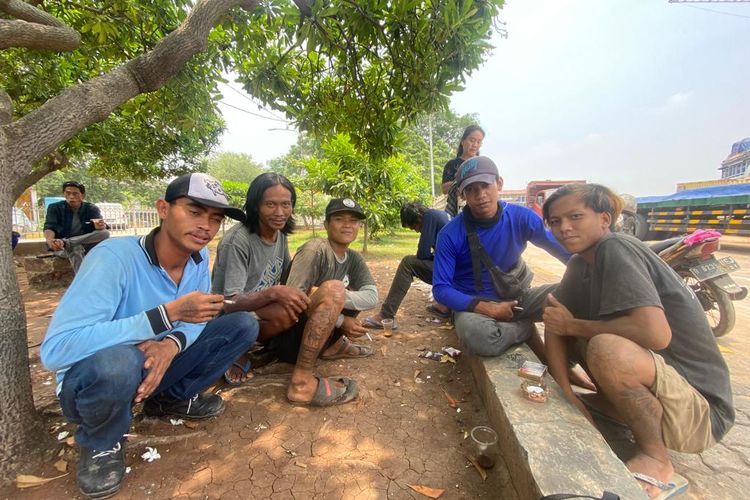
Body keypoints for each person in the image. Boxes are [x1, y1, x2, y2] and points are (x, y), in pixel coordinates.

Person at [41, 173, 259, 499]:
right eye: (195, 212)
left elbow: (196, 319)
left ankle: (168, 399)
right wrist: (166, 315)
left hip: (151, 367)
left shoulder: (197, 259)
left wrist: (170, 345)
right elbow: (56, 351)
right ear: (163, 209)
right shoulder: (113, 258)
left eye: (215, 219)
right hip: (97, 382)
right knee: (120, 360)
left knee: (242, 325)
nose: (206, 227)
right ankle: (101, 441)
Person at [541, 184, 734, 498]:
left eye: (575, 216)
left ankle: (655, 457)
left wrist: (573, 324)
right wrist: (567, 393)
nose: (564, 228)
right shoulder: (580, 263)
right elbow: (554, 320)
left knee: (606, 347)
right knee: (576, 326)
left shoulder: (616, 247)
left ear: (605, 219)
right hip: (666, 393)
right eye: (555, 221)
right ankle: (610, 406)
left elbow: (655, 334)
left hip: (702, 414)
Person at [432, 156, 570, 357]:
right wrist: (486, 308)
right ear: (463, 195)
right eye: (471, 189)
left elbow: (562, 252)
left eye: (485, 185)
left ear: (499, 184)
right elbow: (441, 289)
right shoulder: (450, 234)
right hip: (475, 307)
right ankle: (524, 328)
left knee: (578, 294)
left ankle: (567, 362)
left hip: (519, 296)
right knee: (478, 337)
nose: (480, 195)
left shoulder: (521, 217)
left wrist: (585, 271)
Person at [250, 197, 377, 406]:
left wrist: (335, 304)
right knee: (336, 288)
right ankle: (301, 382)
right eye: (339, 219)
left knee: (340, 291)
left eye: (353, 220)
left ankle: (332, 347)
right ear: (326, 225)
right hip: (289, 339)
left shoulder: (353, 258)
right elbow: (290, 302)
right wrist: (339, 316)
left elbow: (371, 296)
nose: (347, 225)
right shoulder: (314, 250)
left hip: (321, 335)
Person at [212, 173, 311, 385]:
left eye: (286, 204)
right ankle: (236, 349)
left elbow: (286, 274)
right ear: (255, 205)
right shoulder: (238, 241)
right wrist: (274, 293)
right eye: (270, 204)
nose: (280, 212)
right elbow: (228, 303)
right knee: (285, 313)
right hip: (227, 315)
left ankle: (262, 345)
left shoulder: (279, 234)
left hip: (257, 306)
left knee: (299, 304)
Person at [363, 202, 450, 329]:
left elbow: (422, 253)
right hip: (458, 271)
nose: (416, 231)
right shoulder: (440, 214)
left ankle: (386, 315)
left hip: (455, 274)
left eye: (414, 227)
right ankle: (444, 306)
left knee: (407, 263)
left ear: (419, 217)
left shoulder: (429, 217)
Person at [43, 180, 110, 272]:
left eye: (75, 194)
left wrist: (100, 226)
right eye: (68, 193)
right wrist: (50, 241)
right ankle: (83, 283)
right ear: (64, 194)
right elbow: (50, 226)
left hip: (86, 245)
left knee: (105, 233)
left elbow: (102, 226)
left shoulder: (91, 208)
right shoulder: (55, 208)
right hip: (61, 246)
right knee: (76, 248)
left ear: (82, 196)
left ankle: (68, 242)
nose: (71, 197)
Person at [441, 125, 484, 217]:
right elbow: (444, 189)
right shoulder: (452, 164)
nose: (475, 145)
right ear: (463, 141)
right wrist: (460, 179)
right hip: (458, 208)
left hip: (479, 206)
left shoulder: (482, 164)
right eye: (472, 140)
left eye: (479, 142)